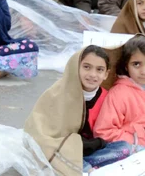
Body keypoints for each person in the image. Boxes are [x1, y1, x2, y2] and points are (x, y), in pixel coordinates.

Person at [25, 45, 135, 173]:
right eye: (86, 67)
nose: (92, 74)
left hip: (92, 150)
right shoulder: (57, 93)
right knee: (45, 148)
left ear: (106, 74)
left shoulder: (107, 97)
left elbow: (111, 131)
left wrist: (97, 143)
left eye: (99, 69)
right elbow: (43, 134)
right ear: (76, 67)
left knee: (126, 147)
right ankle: (84, 168)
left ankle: (85, 166)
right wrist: (80, 144)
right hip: (63, 149)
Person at [93, 36, 145, 156]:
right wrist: (137, 141)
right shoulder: (119, 94)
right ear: (126, 66)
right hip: (133, 152)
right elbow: (103, 132)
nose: (143, 71)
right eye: (136, 64)